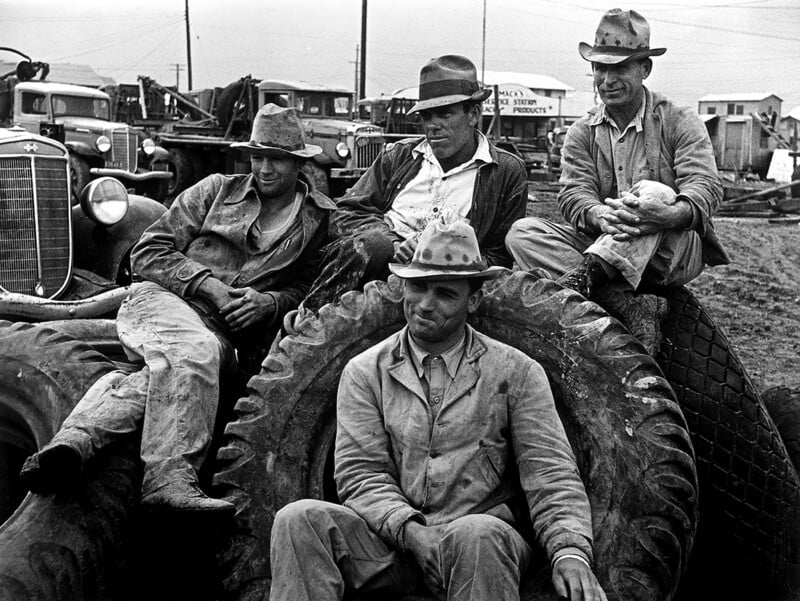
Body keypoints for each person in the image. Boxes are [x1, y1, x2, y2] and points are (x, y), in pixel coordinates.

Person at [19, 104, 336, 513]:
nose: (265, 168)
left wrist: (269, 303)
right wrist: (210, 287)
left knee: (158, 377)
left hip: (220, 332)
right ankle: (169, 478)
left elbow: (305, 287)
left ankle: (70, 445)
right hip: (163, 301)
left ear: (298, 162)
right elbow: (148, 251)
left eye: (276, 158)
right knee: (194, 354)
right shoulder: (216, 190)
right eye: (258, 156)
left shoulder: (317, 219)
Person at [269, 218, 607, 601]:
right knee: (298, 520)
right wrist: (411, 533)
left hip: (478, 547)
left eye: (445, 293)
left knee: (477, 533)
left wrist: (569, 551)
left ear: (473, 300)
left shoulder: (517, 371)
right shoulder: (365, 371)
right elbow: (361, 474)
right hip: (390, 544)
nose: (425, 306)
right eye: (416, 287)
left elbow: (550, 472)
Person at [505, 8, 729, 354]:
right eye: (600, 68)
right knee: (521, 233)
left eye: (620, 68)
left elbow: (705, 185)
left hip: (669, 249)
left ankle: (588, 279)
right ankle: (622, 300)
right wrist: (598, 216)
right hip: (604, 238)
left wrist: (668, 214)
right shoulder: (581, 131)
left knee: (653, 192)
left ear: (645, 69)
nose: (607, 81)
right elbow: (574, 194)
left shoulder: (678, 119)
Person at [297, 54, 528, 316]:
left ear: (473, 114)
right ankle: (307, 322)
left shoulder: (505, 171)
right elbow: (347, 213)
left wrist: (440, 254)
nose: (432, 125)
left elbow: (498, 256)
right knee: (370, 245)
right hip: (379, 273)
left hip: (446, 286)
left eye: (444, 114)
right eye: (426, 116)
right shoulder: (398, 157)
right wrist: (392, 244)